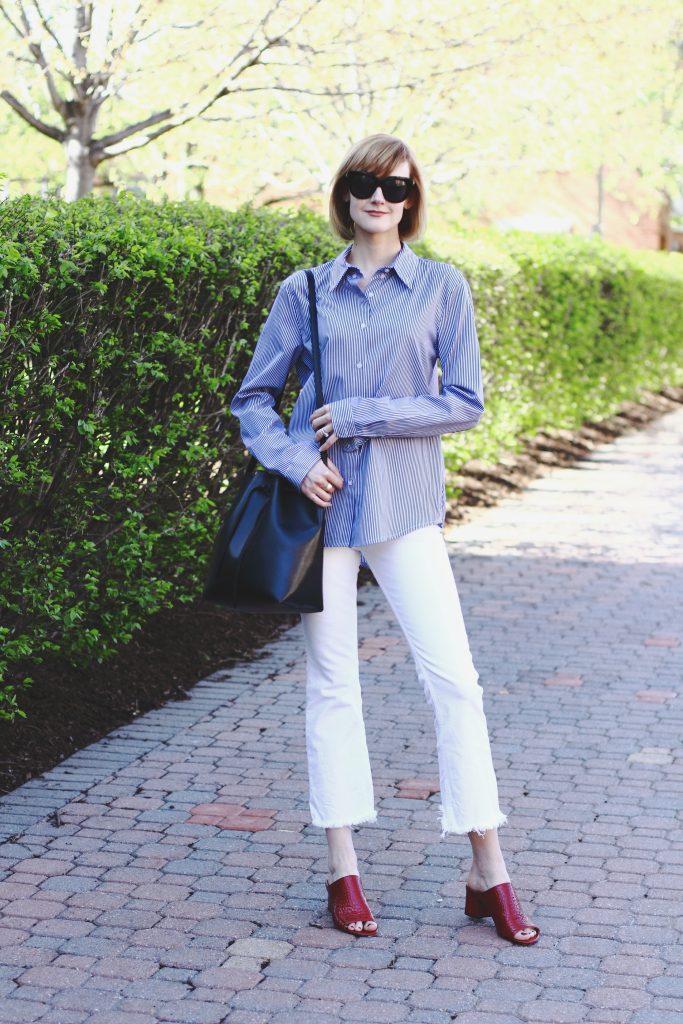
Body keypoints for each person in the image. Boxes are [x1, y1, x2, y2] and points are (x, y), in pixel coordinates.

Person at [229, 133, 540, 945]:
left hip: (404, 505)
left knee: (456, 683)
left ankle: (488, 869)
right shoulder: (304, 290)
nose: (379, 197)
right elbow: (254, 401)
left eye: (395, 186)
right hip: (322, 508)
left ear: (411, 199)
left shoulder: (441, 288)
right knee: (333, 685)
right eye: (365, 183)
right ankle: (343, 867)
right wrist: (298, 461)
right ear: (344, 193)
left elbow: (465, 401)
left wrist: (366, 416)